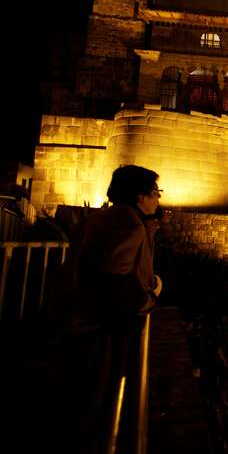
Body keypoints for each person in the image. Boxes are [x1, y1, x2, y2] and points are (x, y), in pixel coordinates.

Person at [57, 165, 164, 452]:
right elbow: (113, 283)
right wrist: (151, 296)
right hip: (100, 329)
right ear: (140, 196)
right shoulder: (129, 225)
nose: (158, 198)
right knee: (97, 406)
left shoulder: (97, 219)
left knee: (80, 403)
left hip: (77, 322)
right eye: (155, 192)